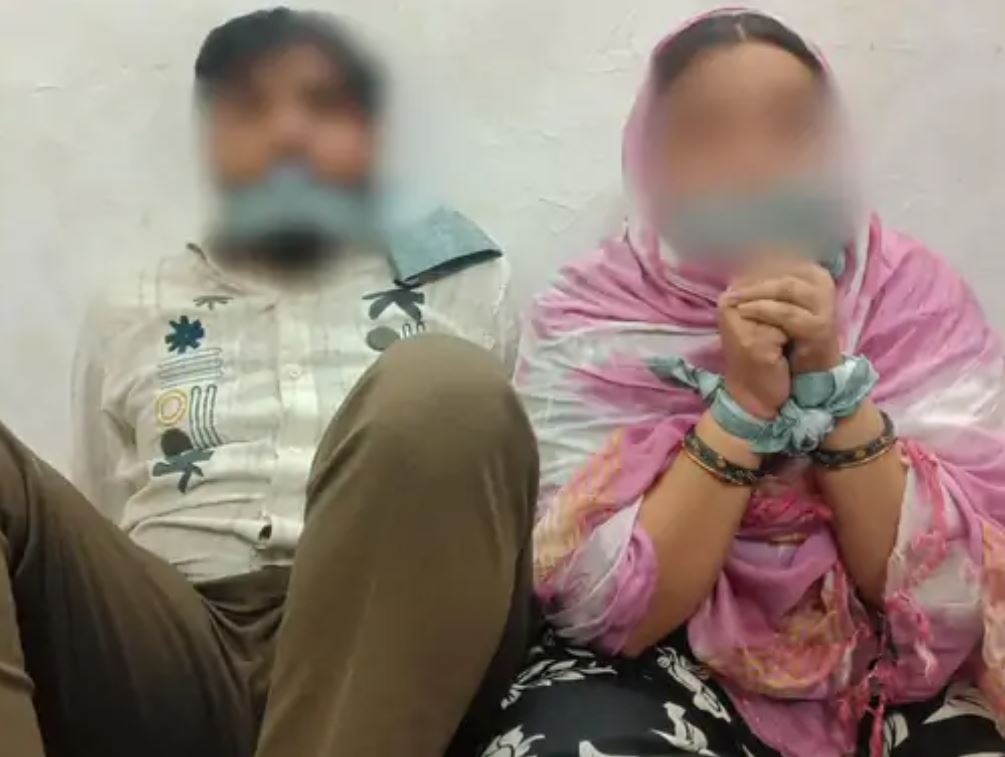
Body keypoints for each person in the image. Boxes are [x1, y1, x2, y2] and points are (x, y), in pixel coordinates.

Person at [2, 8, 538, 757]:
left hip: (388, 641)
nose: (287, 132)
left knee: (445, 389)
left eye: (321, 104)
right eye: (249, 107)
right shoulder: (131, 307)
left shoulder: (464, 286)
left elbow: (501, 515)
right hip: (174, 648)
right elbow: (102, 512)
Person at [483, 9, 1005, 757]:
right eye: (708, 134)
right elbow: (599, 610)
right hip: (653, 665)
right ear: (652, 162)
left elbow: (953, 598)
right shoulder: (588, 320)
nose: (754, 164)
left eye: (791, 129)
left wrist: (827, 380)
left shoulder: (912, 301)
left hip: (885, 668)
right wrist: (745, 405)